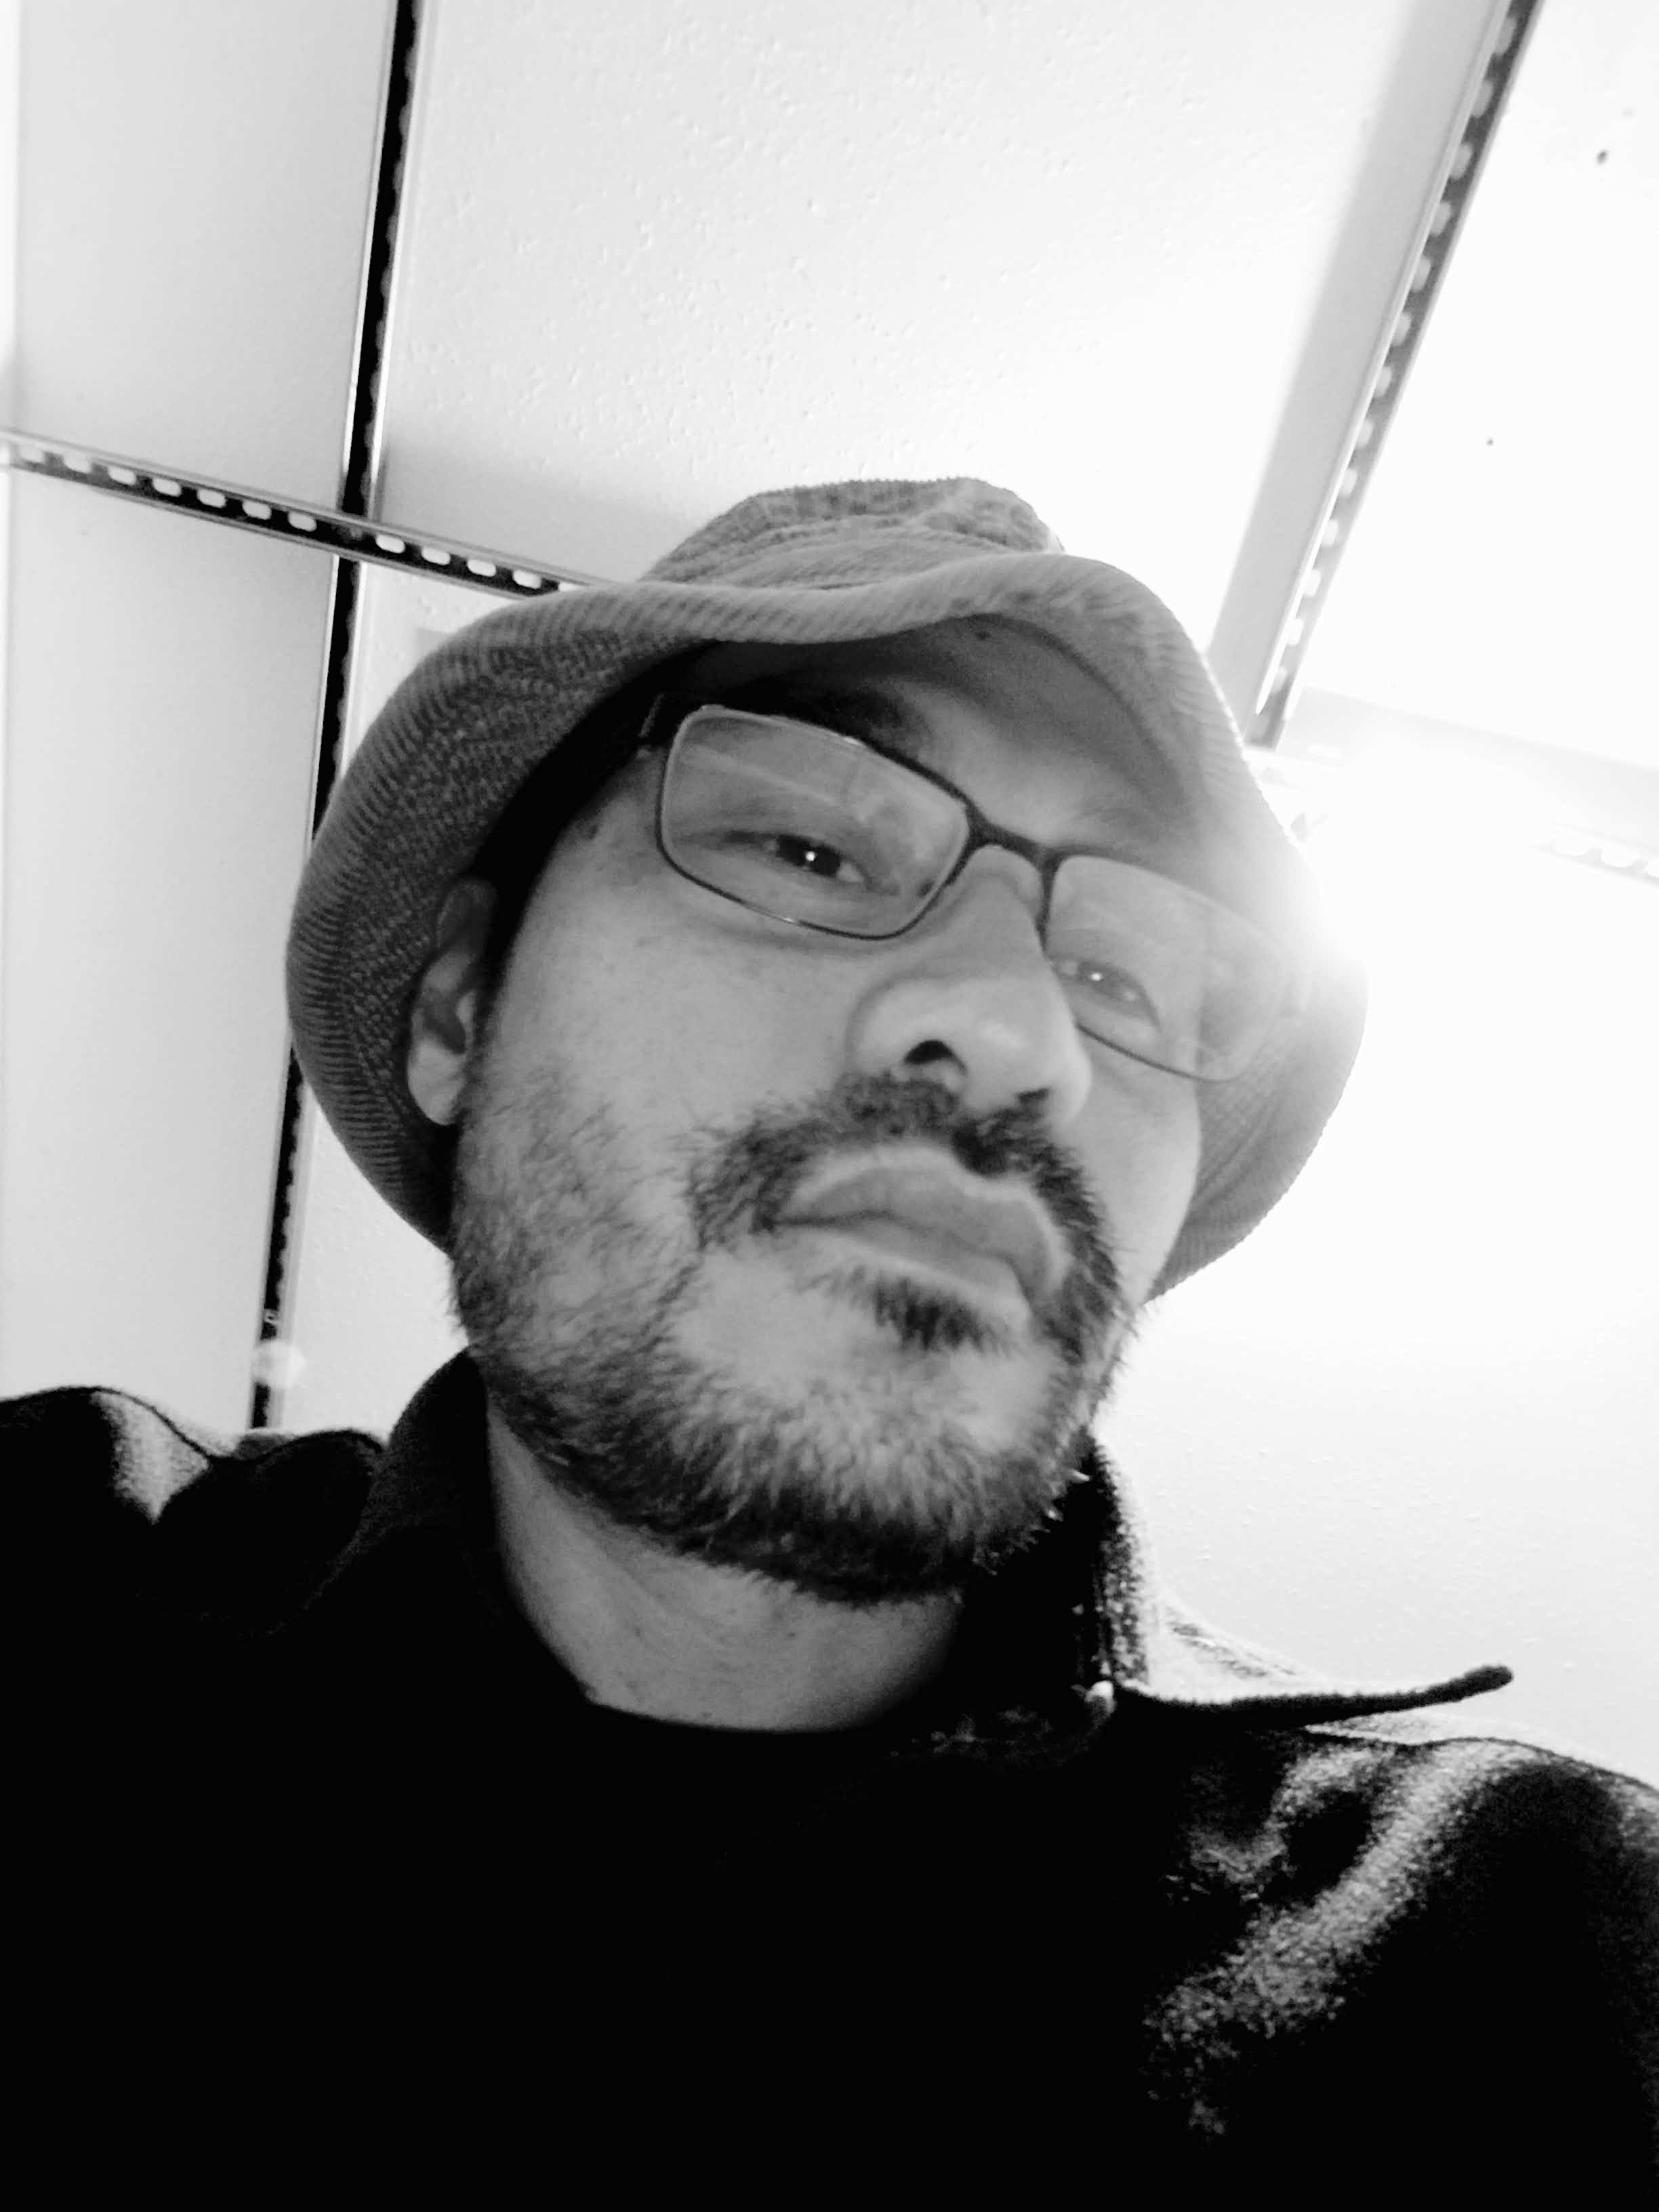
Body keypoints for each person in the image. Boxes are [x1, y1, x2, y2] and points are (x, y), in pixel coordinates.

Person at [8, 478, 1656, 2180]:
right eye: (807, 846)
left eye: (1125, 980)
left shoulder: (1552, 1964)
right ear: (461, 1009)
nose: (1021, 1034)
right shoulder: (53, 1586)